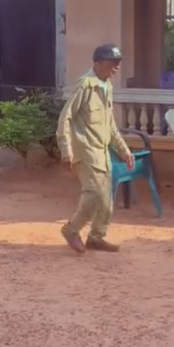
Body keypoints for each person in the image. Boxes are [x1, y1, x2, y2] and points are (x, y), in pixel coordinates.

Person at [56, 43, 134, 254]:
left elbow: (110, 125)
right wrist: (66, 149)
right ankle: (72, 230)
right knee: (93, 193)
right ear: (98, 62)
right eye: (112, 63)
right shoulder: (85, 85)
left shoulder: (106, 87)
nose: (116, 67)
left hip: (101, 151)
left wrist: (124, 150)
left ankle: (96, 237)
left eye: (118, 63)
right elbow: (65, 117)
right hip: (85, 149)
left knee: (106, 200)